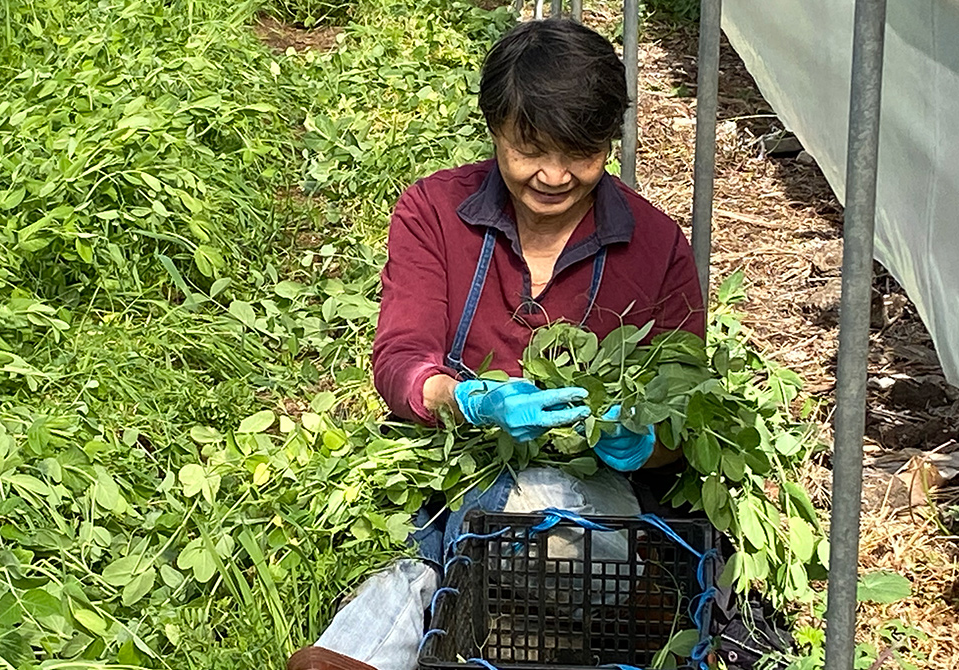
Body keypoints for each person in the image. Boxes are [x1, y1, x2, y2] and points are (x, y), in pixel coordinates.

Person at [288, 17, 704, 670]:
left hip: (591, 503)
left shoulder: (654, 247)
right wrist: (468, 401)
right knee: (422, 557)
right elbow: (401, 361)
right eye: (530, 148)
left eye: (582, 153)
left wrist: (648, 441)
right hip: (450, 474)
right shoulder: (434, 212)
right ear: (494, 128)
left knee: (537, 508)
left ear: (610, 140)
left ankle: (506, 599)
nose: (555, 175)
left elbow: (688, 410)